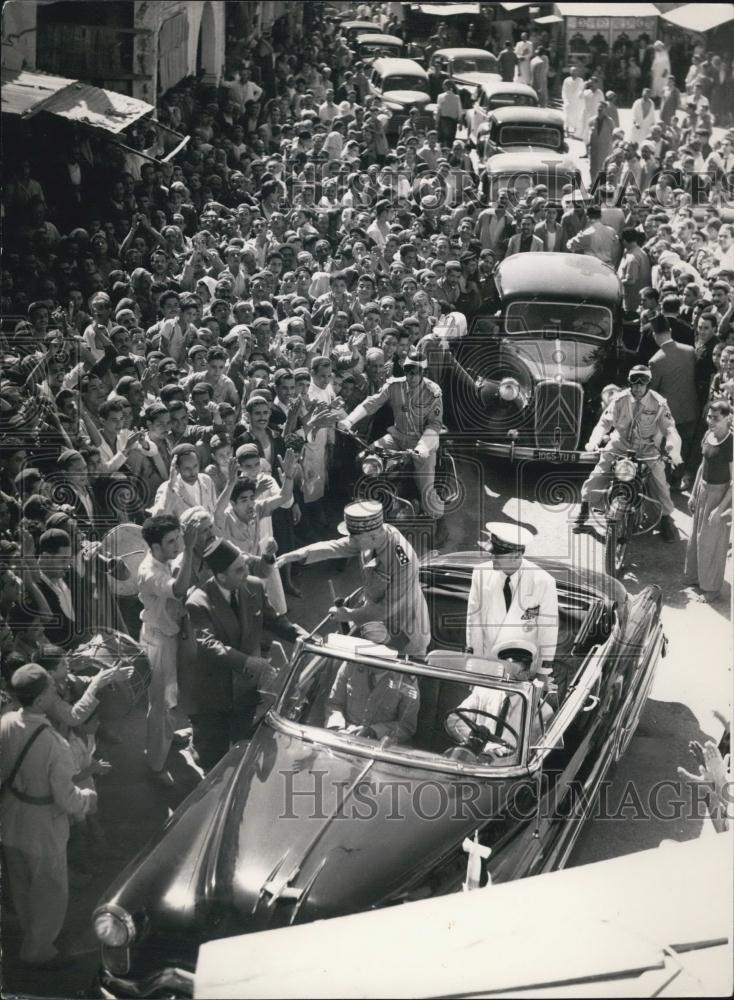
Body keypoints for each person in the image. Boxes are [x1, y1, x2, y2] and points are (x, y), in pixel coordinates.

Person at [0, 663, 98, 967]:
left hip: (10, 820)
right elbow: (66, 798)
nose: (56, 691)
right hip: (43, 827)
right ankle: (39, 950)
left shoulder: (5, 723)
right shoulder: (54, 743)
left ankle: (30, 933)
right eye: (51, 689)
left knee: (21, 884)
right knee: (49, 890)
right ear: (40, 699)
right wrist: (87, 799)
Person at [180, 538, 303, 771]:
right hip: (215, 692)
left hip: (247, 689)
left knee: (245, 745)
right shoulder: (197, 602)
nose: (246, 572)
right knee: (212, 756)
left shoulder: (253, 586)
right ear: (221, 576)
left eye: (245, 565)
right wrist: (248, 662)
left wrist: (302, 636)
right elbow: (208, 645)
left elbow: (274, 620)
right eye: (239, 570)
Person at [277, 500, 431, 655]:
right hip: (377, 623)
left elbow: (386, 609)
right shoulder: (372, 537)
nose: (350, 541)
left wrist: (348, 615)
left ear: (373, 536)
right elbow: (334, 547)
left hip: (406, 631)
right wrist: (297, 555)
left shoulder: (402, 560)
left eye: (354, 538)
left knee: (401, 668)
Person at [336, 350, 447, 539]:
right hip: (397, 437)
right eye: (409, 371)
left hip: (422, 443)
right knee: (365, 458)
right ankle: (366, 505)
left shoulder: (433, 392)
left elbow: (434, 425)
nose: (412, 376)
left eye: (417, 372)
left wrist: (422, 447)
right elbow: (371, 403)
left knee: (425, 486)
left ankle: (437, 519)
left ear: (424, 373)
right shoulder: (395, 385)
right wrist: (349, 421)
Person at [575, 365, 682, 542]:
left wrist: (673, 448)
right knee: (599, 473)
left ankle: (665, 518)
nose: (638, 387)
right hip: (620, 444)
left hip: (646, 448)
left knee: (659, 480)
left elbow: (670, 429)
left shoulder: (659, 403)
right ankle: (585, 508)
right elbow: (604, 423)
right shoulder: (619, 400)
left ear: (648, 383)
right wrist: (594, 441)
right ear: (629, 382)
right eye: (634, 382)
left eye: (642, 382)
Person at [137, 513, 197, 786]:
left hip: (170, 636)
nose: (178, 545)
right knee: (160, 704)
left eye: (178, 539)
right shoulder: (149, 572)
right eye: (171, 541)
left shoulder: (166, 559)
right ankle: (155, 765)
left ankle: (168, 739)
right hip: (158, 641)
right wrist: (191, 549)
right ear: (155, 547)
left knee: (171, 695)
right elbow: (180, 588)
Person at [465, 523, 558, 681]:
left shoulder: (543, 582)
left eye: (498, 555)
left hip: (521, 668)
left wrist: (543, 672)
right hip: (488, 665)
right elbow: (474, 622)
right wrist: (475, 664)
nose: (492, 558)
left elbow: (548, 630)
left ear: (516, 556)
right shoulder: (480, 573)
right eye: (492, 552)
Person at [446, 639, 554, 760]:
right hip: (476, 759)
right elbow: (454, 719)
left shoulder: (541, 710)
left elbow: (535, 753)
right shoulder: (483, 691)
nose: (508, 681)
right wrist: (477, 741)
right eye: (505, 674)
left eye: (515, 676)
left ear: (527, 673)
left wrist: (507, 753)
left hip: (510, 767)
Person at [684, 400, 732, 600]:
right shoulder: (707, 435)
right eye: (709, 417)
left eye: (716, 418)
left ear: (728, 418)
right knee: (697, 538)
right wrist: (694, 493)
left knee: (712, 543)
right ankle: (696, 578)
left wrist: (720, 508)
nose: (710, 421)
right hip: (703, 490)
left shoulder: (731, 443)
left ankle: (712, 589)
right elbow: (702, 467)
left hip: (720, 495)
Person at [648, 314, 699, 489]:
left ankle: (667, 482)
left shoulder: (655, 360)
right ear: (670, 331)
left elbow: (653, 391)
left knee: (668, 448)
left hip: (670, 414)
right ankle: (677, 479)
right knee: (684, 447)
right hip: (691, 410)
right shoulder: (690, 351)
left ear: (654, 335)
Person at [325, 660, 419, 744]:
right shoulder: (351, 665)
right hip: (342, 738)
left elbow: (406, 726)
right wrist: (339, 729)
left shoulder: (407, 681)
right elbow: (334, 704)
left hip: (380, 747)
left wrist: (373, 731)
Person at [562, 66, 586, 138]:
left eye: (575, 71)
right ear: (570, 72)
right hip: (568, 101)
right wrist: (565, 100)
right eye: (572, 71)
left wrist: (580, 98)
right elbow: (564, 91)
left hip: (577, 102)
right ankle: (566, 131)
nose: (574, 73)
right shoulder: (566, 80)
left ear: (577, 72)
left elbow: (582, 90)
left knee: (577, 117)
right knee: (567, 116)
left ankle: (576, 132)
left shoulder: (580, 80)